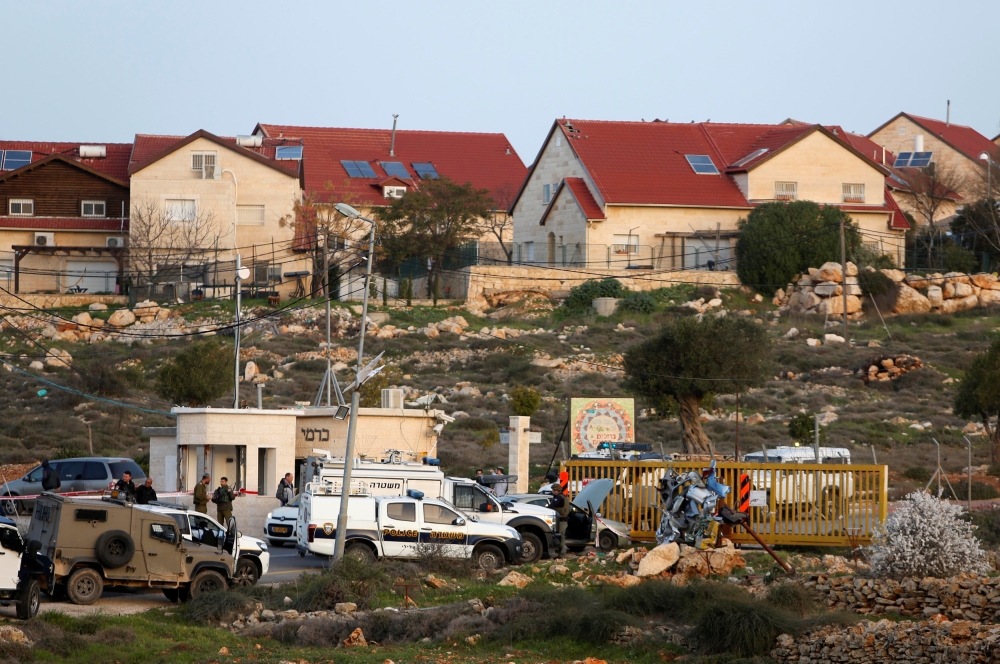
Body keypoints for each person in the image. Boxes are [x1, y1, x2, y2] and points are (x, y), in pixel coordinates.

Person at [549, 483, 571, 556]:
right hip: (563, 520)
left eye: (553, 490)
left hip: (561, 521)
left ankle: (562, 554)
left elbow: (551, 507)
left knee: (560, 537)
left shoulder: (558, 498)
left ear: (556, 491)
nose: (552, 491)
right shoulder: (563, 497)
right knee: (561, 536)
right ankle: (560, 553)